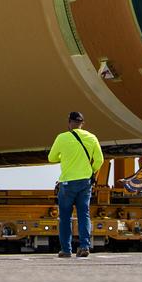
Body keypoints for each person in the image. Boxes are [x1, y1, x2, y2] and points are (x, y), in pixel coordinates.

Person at [47, 110, 104, 258]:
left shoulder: (62, 138)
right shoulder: (92, 138)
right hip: (85, 182)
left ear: (69, 123)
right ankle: (84, 246)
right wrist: (90, 171)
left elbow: (51, 158)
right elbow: (100, 160)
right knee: (83, 214)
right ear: (82, 124)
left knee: (65, 216)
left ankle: (66, 250)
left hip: (67, 183)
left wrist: (64, 156)